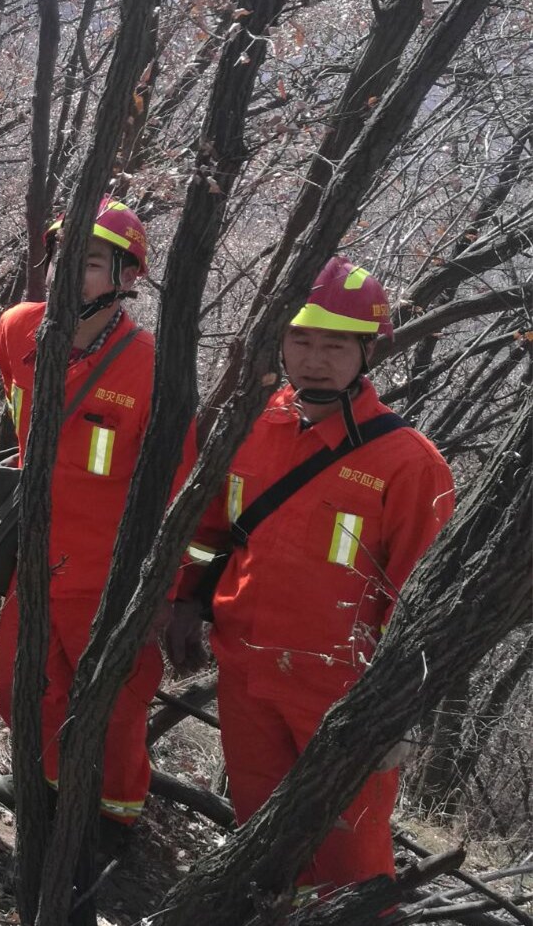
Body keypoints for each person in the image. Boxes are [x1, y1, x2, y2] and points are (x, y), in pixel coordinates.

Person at [166, 257, 454, 895]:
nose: (315, 360)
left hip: (341, 697)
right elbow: (207, 531)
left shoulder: (409, 464)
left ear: (368, 352)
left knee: (350, 866)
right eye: (301, 340)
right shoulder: (252, 425)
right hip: (246, 670)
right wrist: (185, 602)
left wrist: (397, 710)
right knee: (261, 839)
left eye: (334, 345)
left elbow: (418, 602)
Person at [0, 197, 196, 835]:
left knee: (113, 705)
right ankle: (47, 784)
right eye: (65, 255)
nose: (70, 271)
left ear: (127, 277)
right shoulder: (17, 329)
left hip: (111, 575)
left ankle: (111, 815)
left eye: (92, 261)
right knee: (19, 682)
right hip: (36, 554)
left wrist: (165, 592)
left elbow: (180, 490)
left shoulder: (155, 369)